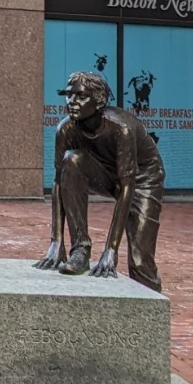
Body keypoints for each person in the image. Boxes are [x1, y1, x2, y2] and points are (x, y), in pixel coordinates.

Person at [34, 69, 165, 291]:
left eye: (81, 96)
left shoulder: (120, 128)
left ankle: (148, 307)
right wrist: (57, 241)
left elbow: (127, 187)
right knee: (71, 160)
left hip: (142, 179)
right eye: (69, 95)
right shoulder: (65, 128)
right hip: (102, 171)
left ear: (99, 101)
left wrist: (111, 250)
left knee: (140, 258)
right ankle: (80, 250)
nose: (72, 102)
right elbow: (59, 184)